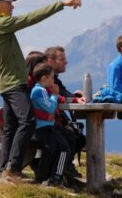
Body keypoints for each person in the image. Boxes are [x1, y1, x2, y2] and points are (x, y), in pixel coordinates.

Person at [0, 0, 84, 180]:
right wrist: (61, 4)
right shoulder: (0, 24)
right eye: (9, 3)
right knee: (28, 121)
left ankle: (3, 170)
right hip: (15, 84)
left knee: (11, 128)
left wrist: (1, 78)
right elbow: (30, 18)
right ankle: (13, 169)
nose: (13, 6)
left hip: (6, 84)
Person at [45, 46, 86, 177]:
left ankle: (66, 168)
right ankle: (61, 172)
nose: (66, 62)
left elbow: (64, 94)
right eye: (62, 59)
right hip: (47, 122)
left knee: (77, 136)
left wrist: (75, 96)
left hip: (53, 119)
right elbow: (61, 96)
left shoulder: (54, 78)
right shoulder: (48, 80)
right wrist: (75, 97)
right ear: (51, 61)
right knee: (73, 136)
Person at [30, 63, 71, 186]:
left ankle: (45, 178)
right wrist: (54, 94)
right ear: (44, 78)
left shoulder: (42, 91)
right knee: (64, 149)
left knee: (57, 147)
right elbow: (50, 108)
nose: (54, 80)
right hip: (43, 129)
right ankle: (55, 178)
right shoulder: (39, 91)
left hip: (47, 128)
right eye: (52, 77)